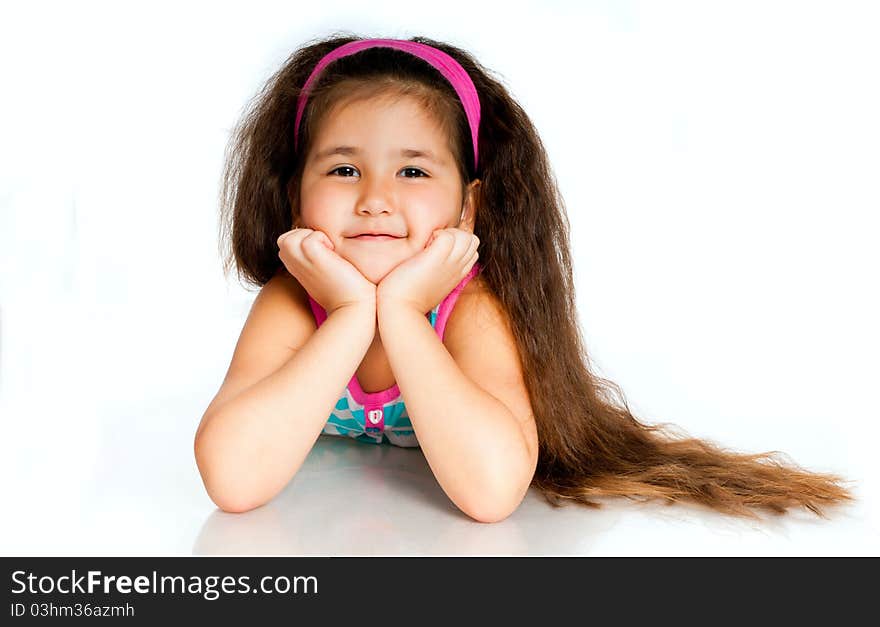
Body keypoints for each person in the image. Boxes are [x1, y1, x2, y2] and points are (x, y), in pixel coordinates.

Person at [194, 34, 854, 523]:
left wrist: (398, 312)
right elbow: (231, 477)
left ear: (468, 207)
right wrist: (346, 316)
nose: (374, 199)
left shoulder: (471, 312)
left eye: (414, 171)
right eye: (343, 169)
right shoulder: (293, 304)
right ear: (294, 199)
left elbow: (489, 492)